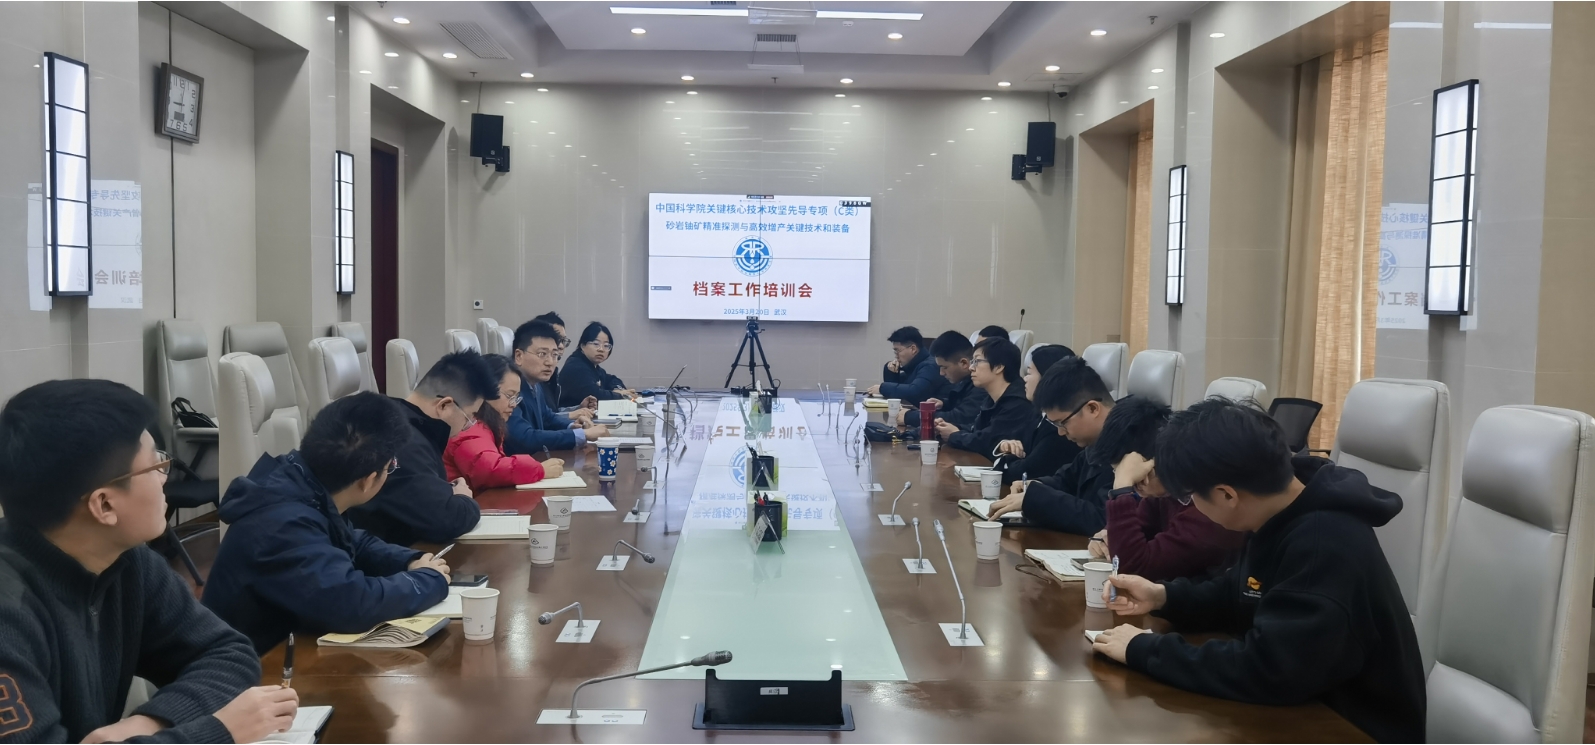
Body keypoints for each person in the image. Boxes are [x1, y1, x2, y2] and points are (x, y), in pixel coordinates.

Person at [1092, 398, 1424, 743]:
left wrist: (1145, 649)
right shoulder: (1279, 511)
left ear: (1227, 495)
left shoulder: (1323, 544)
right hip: (1301, 711)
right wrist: (1164, 596)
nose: (1194, 507)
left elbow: (1270, 669)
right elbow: (1242, 592)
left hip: (1350, 727)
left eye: (1191, 497)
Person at [0, 379, 298, 743]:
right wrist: (217, 733)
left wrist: (148, 723)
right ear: (104, 504)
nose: (164, 478)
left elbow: (228, 654)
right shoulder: (9, 614)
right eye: (155, 465)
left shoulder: (125, 560)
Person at [204, 393, 454, 654]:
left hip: (287, 645)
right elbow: (353, 604)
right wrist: (426, 580)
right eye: (391, 465)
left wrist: (409, 561)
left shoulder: (301, 481)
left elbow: (350, 539)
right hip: (250, 667)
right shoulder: (282, 525)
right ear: (368, 480)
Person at [1077, 398, 1244, 580]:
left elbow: (1132, 567)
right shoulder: (1163, 493)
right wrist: (1107, 536)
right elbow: (1136, 530)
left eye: (1134, 474)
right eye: (1118, 472)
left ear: (1158, 460)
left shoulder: (1207, 508)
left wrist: (1122, 489)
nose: (1134, 484)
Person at [345, 350, 490, 546]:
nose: (468, 426)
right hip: (380, 555)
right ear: (445, 405)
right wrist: (464, 498)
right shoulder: (405, 442)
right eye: (469, 417)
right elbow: (447, 519)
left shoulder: (400, 421)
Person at [988, 357, 1119, 532]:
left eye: (1062, 423)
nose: (1060, 433)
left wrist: (1035, 499)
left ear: (1092, 408)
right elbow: (1067, 480)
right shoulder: (1096, 440)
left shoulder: (1133, 442)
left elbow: (1103, 518)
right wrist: (1034, 486)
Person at [446, 354, 564, 490]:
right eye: (509, 395)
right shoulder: (468, 425)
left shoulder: (485, 423)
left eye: (516, 397)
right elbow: (489, 469)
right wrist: (539, 469)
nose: (513, 404)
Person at [506, 320, 609, 455]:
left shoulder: (535, 384)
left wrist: (573, 426)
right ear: (519, 356)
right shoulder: (509, 389)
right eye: (542, 354)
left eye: (554, 355)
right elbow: (525, 438)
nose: (550, 362)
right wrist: (583, 434)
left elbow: (548, 418)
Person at [992, 344, 1083, 483]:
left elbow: (1023, 472)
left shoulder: (1058, 428)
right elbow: (1009, 439)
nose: (1024, 379)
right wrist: (1004, 446)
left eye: (1029, 373)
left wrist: (1006, 458)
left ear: (1047, 378)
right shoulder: (1038, 414)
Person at [935, 337, 1035, 456]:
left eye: (977, 361)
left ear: (998, 367)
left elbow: (988, 441)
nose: (971, 367)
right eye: (972, 361)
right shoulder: (993, 397)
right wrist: (948, 427)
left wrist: (954, 435)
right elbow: (978, 430)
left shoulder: (1017, 402)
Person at [902, 331, 987, 430]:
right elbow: (963, 405)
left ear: (964, 363)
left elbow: (960, 418)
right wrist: (944, 404)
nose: (941, 373)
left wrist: (910, 417)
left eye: (944, 367)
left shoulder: (981, 385)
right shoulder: (965, 381)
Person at [531, 311, 595, 418]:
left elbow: (551, 413)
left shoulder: (551, 376)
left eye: (563, 340)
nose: (561, 346)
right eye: (556, 339)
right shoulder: (532, 380)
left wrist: (578, 408)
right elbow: (543, 420)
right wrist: (572, 414)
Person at [559, 321, 635, 407]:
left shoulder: (592, 366)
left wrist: (617, 389)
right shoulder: (576, 366)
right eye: (596, 344)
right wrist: (619, 394)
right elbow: (595, 395)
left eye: (606, 346)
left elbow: (611, 380)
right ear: (583, 345)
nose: (601, 349)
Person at [866, 326, 946, 406]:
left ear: (913, 349)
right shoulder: (913, 367)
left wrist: (882, 388)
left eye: (898, 351)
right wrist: (892, 373)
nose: (896, 356)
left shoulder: (929, 366)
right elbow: (898, 394)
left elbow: (915, 392)